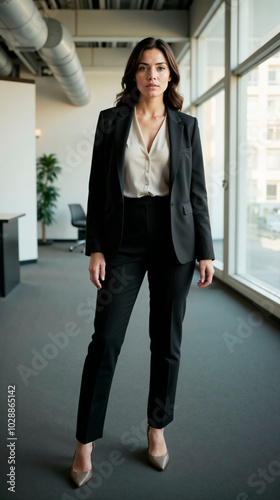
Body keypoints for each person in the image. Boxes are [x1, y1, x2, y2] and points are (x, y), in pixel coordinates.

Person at [70, 37, 215, 488]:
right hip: (123, 239)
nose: (152, 74)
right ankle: (84, 440)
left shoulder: (186, 126)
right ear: (133, 74)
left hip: (175, 241)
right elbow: (97, 187)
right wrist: (96, 247)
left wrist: (206, 249)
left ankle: (156, 429)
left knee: (165, 342)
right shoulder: (110, 122)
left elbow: (197, 192)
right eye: (143, 67)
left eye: (160, 67)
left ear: (170, 74)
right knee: (106, 339)